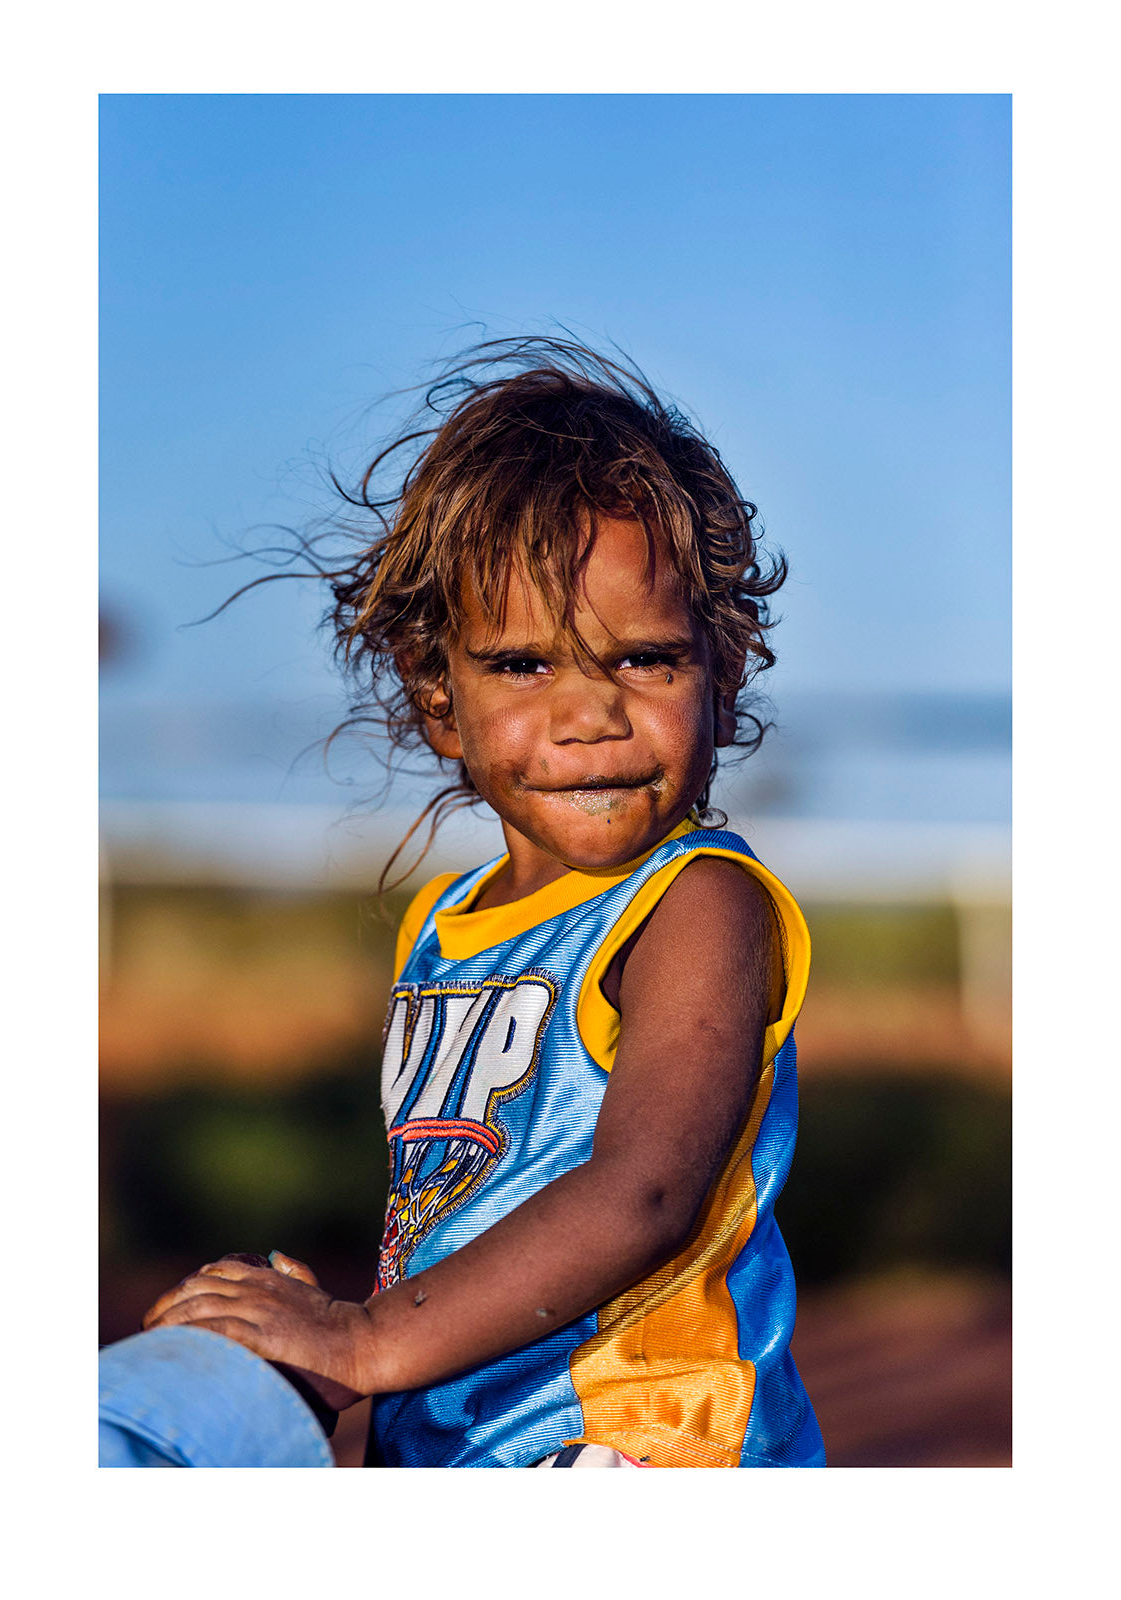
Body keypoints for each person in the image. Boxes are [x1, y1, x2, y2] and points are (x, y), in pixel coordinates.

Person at [109, 337, 825, 1469]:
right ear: (437, 696)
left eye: (643, 659)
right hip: (462, 1450)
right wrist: (323, 1330)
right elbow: (452, 1210)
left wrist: (368, 1339)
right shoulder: (440, 925)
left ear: (720, 672)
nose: (591, 712)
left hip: (641, 1450)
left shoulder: (697, 905)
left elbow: (643, 1191)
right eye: (525, 665)